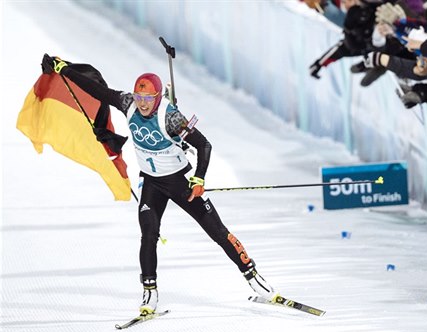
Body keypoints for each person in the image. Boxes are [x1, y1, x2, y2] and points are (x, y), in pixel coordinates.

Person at [40, 55, 278, 315]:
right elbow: (97, 90)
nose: (142, 104)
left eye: (148, 99)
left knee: (218, 232)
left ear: (157, 98)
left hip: (179, 183)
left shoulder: (171, 117)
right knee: (148, 234)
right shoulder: (127, 102)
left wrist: (198, 179)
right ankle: (149, 294)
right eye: (139, 98)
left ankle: (255, 279)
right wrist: (65, 70)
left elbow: (204, 145)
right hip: (152, 183)